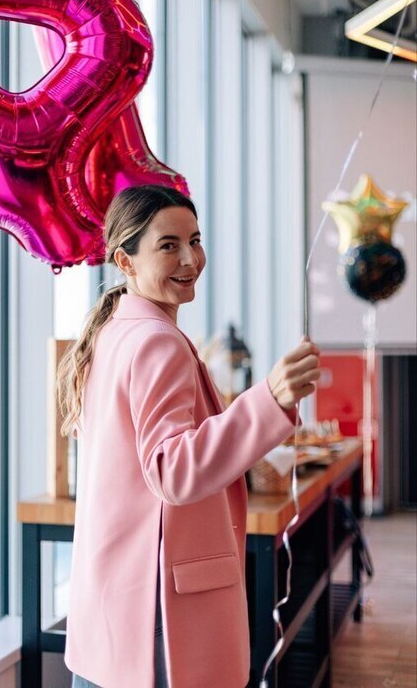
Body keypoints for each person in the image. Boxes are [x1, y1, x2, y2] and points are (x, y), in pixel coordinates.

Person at [58, 186, 320, 688]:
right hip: (156, 613)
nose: (190, 259)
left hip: (115, 610)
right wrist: (270, 398)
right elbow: (171, 469)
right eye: (168, 245)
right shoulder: (157, 342)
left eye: (195, 241)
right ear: (125, 261)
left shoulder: (114, 332)